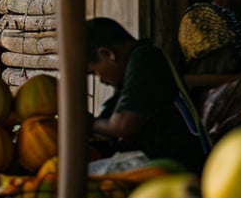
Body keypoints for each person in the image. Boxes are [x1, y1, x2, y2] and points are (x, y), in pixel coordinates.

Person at [86, 18, 207, 172]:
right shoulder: (129, 68)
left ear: (107, 54)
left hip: (178, 170)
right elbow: (107, 119)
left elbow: (122, 126)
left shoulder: (145, 58)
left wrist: (87, 124)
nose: (101, 80)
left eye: (94, 72)